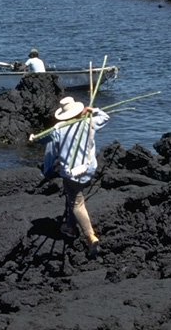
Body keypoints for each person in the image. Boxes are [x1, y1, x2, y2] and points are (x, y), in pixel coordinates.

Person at [41, 96, 109, 257]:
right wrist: (93, 110)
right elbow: (105, 118)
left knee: (77, 203)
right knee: (72, 198)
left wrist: (47, 170)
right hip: (88, 170)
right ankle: (70, 227)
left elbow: (50, 153)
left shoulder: (57, 129)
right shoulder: (88, 122)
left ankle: (90, 236)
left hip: (71, 173)